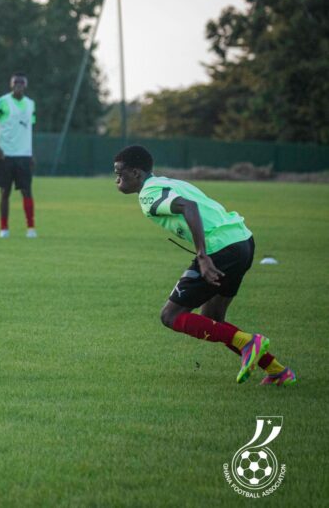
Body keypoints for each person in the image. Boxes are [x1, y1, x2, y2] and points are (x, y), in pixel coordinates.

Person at [113, 145, 296, 386]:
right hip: (242, 242)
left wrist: (202, 255)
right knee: (213, 318)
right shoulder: (169, 182)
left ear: (136, 173)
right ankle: (277, 371)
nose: (117, 179)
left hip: (220, 249)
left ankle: (249, 343)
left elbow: (190, 207)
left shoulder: (149, 195)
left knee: (170, 316)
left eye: (120, 173)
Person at [0, 72, 37, 238]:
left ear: (25, 86)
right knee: (4, 192)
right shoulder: (1, 102)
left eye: (21, 83)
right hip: (5, 155)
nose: (18, 86)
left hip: (24, 155)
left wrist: (31, 153)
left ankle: (31, 228)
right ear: (11, 85)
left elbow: (28, 129)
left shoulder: (31, 104)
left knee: (27, 191)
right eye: (15, 83)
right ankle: (4, 228)